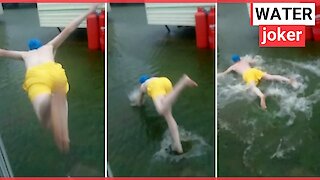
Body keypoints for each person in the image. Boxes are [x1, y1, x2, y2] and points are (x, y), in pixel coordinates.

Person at [0, 4, 101, 153]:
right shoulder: (48, 47)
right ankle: (64, 133)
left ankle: (49, 104)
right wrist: (90, 11)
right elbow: (69, 29)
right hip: (55, 73)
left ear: (30, 49)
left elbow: (2, 52)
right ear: (40, 46)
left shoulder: (26, 55)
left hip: (37, 77)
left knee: (44, 115)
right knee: (61, 101)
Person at [138, 74, 198, 154]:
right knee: (168, 116)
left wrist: (139, 104)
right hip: (165, 81)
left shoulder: (143, 85)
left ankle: (183, 82)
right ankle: (178, 146)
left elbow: (140, 98)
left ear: (141, 82)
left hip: (156, 86)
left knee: (161, 110)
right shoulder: (155, 79)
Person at [218, 54, 295, 110]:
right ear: (239, 58)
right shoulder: (244, 61)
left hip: (247, 74)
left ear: (233, 61)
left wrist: (218, 75)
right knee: (270, 77)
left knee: (253, 87)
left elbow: (224, 73)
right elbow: (254, 61)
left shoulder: (233, 67)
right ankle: (288, 80)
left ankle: (261, 95)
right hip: (253, 70)